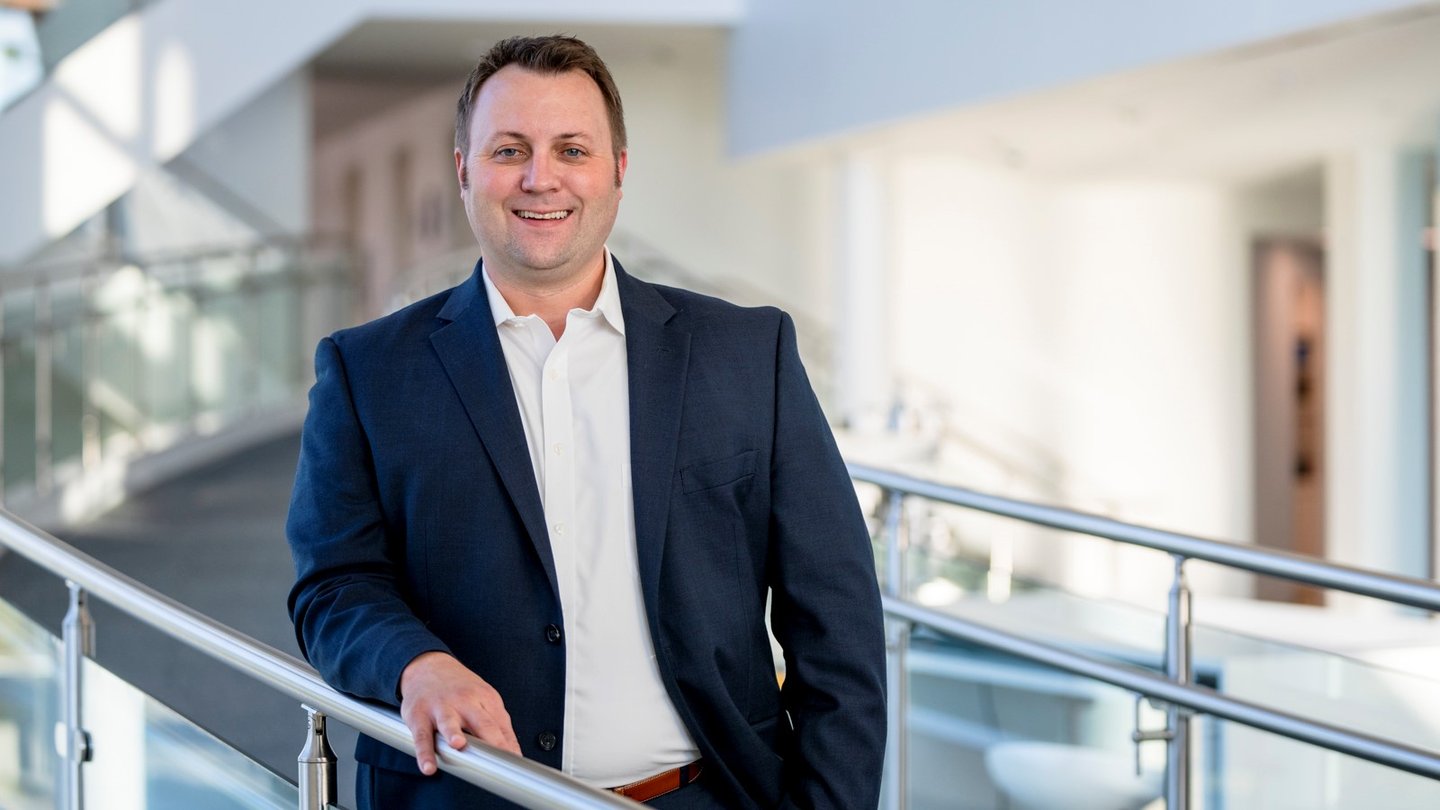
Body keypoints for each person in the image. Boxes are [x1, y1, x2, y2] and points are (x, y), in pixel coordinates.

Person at [286, 34, 886, 809]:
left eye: (572, 148)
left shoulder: (748, 354)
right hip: (463, 795)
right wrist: (414, 663)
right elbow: (334, 586)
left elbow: (836, 621)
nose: (542, 178)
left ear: (617, 171)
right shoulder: (366, 372)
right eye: (509, 149)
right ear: (464, 168)